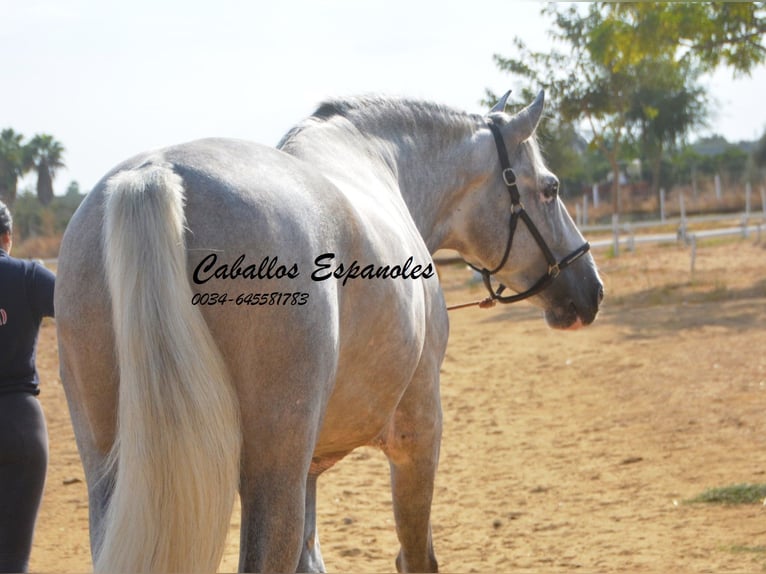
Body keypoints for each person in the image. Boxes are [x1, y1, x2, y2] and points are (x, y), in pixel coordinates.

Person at [0, 200, 55, 572]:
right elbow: (87, 310)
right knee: (12, 560)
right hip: (20, 424)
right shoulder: (28, 275)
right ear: (7, 237)